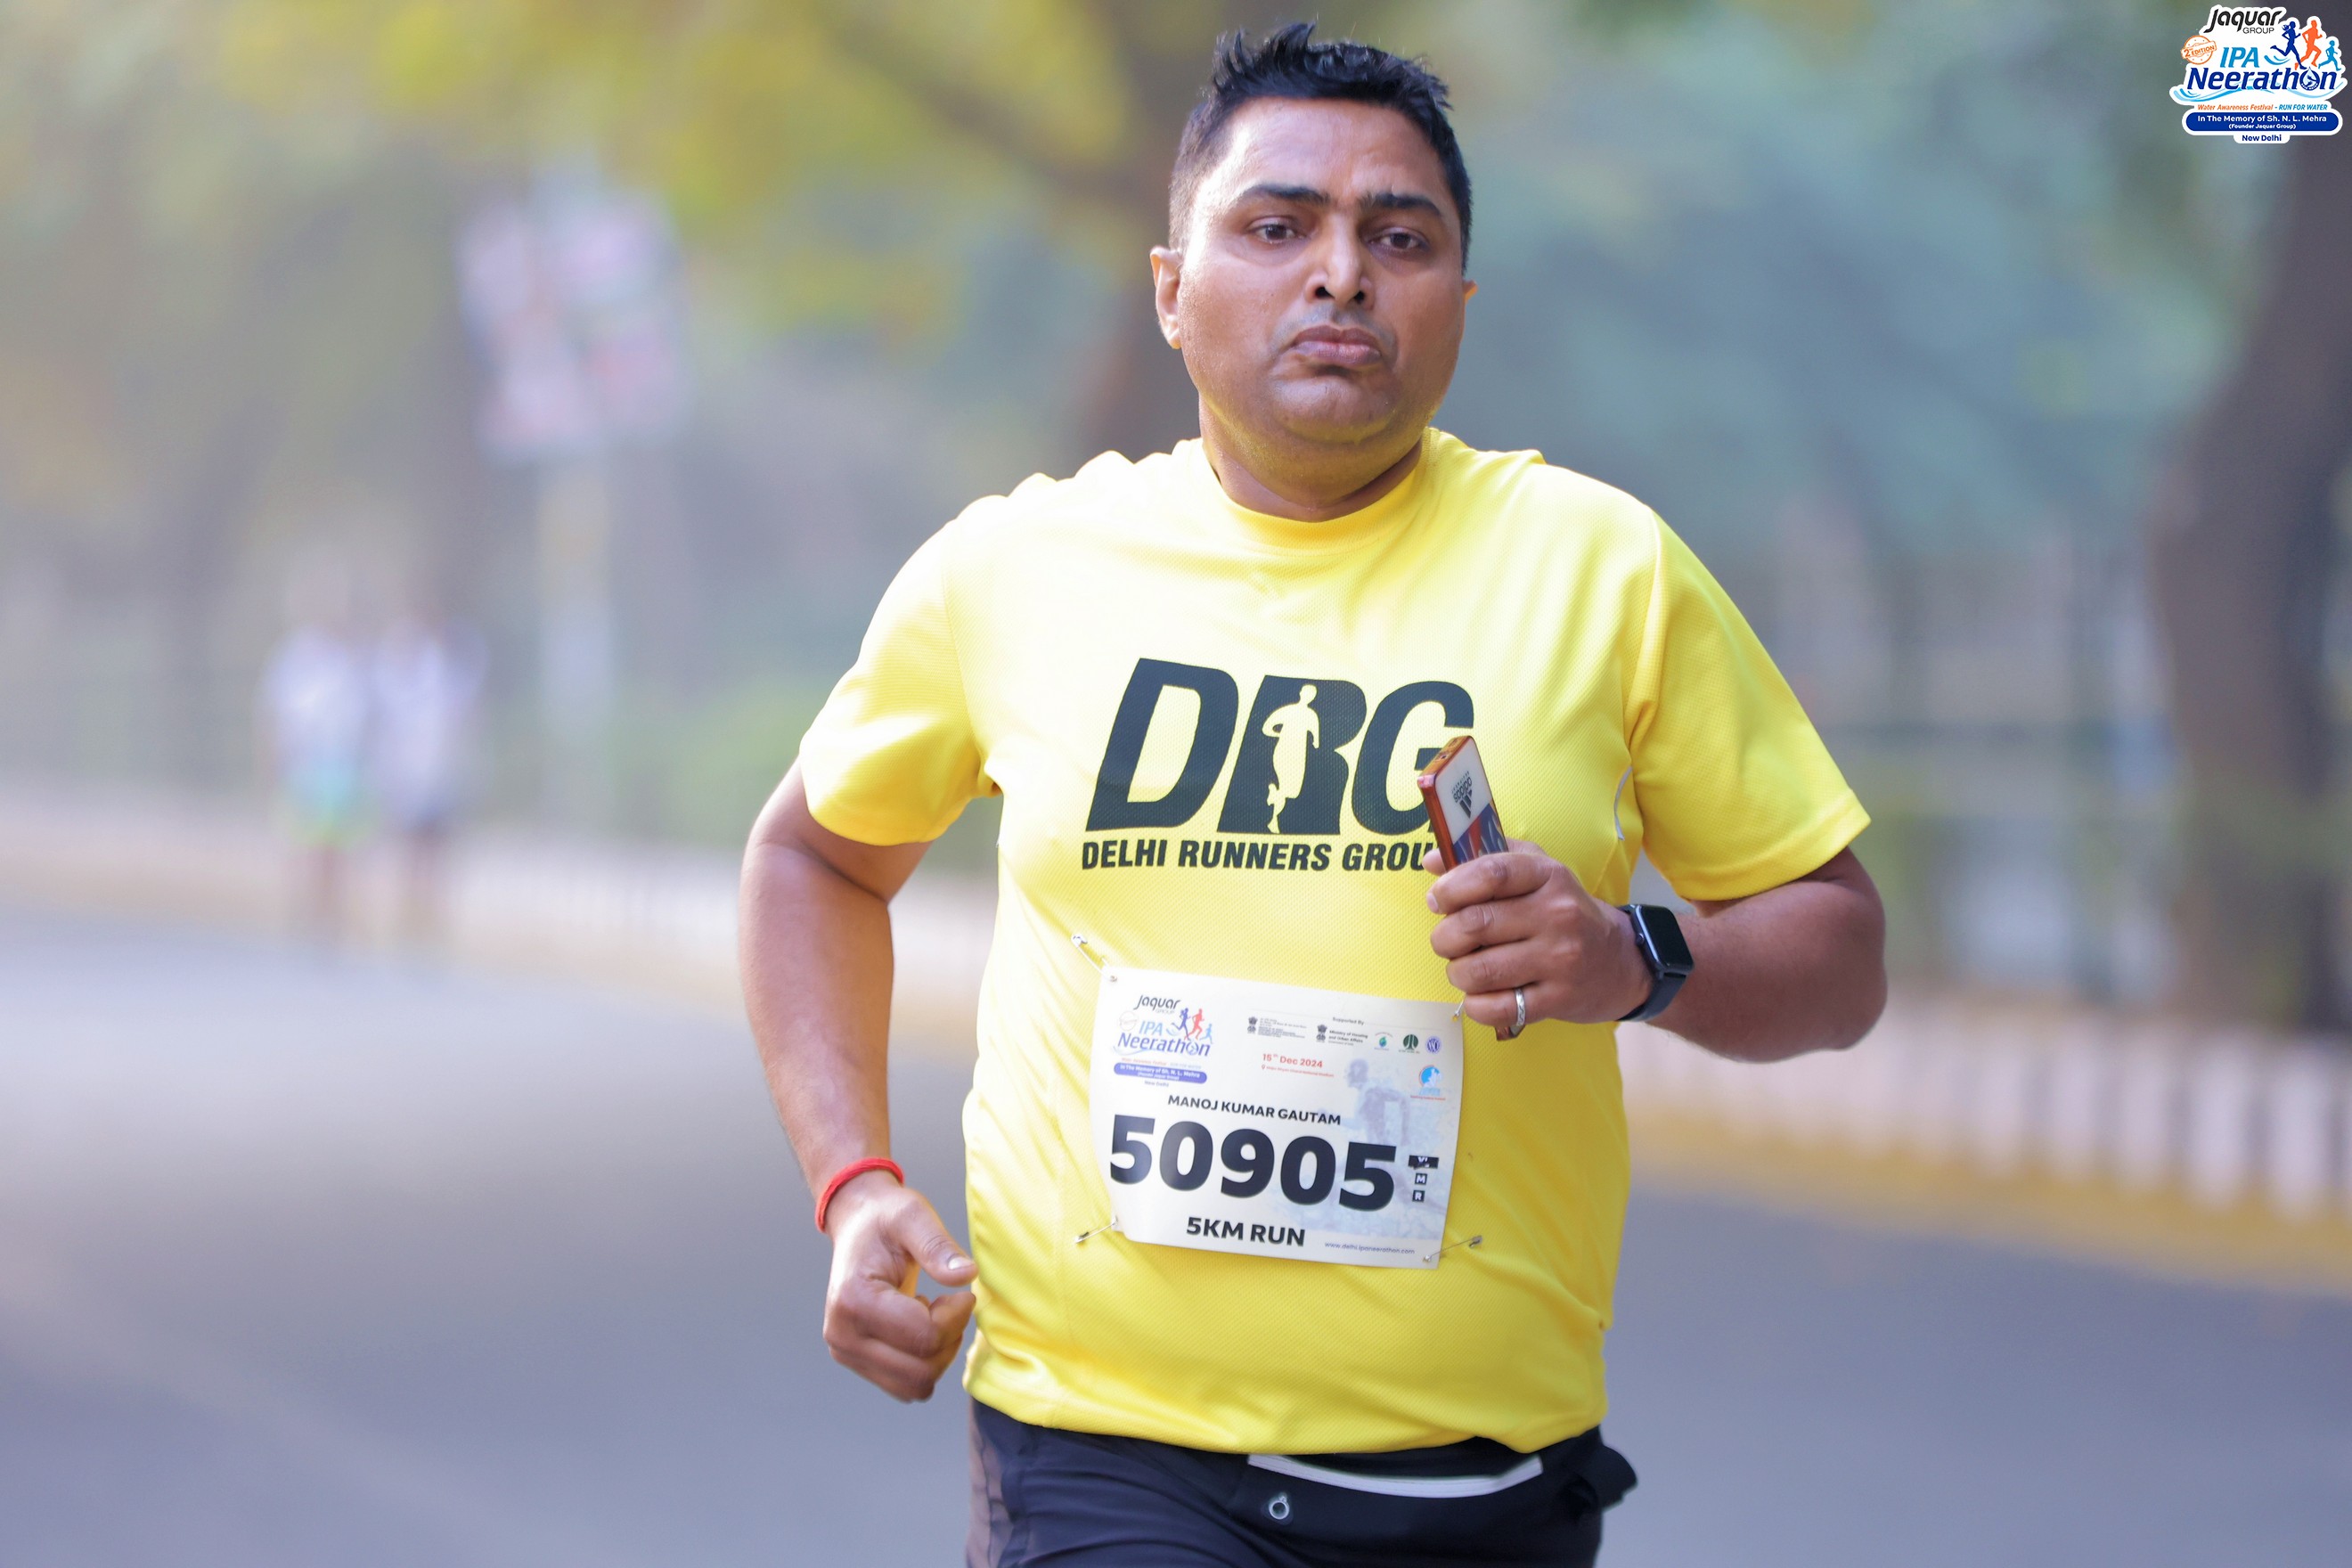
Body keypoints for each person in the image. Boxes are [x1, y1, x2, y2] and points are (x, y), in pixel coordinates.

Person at [739, 25, 1886, 1568]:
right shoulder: (1012, 570)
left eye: (1398, 238)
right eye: (1277, 228)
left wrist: (1634, 958)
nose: (1340, 275)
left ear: (1459, 300)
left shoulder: (1605, 571)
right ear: (1171, 290)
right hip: (1101, 1453)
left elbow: (1842, 956)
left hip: (1479, 1479)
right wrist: (856, 1185)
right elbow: (812, 860)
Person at [259, 584, 371, 943]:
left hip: (341, 763)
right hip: (305, 764)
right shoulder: (294, 657)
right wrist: (273, 764)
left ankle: (332, 917)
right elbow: (275, 715)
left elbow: (365, 716)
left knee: (337, 850)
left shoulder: (352, 657)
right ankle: (306, 913)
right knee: (306, 847)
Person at [370, 599, 485, 944]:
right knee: (410, 849)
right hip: (408, 772)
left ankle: (431, 920)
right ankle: (409, 918)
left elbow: (467, 717)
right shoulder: (398, 662)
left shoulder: (454, 662)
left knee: (437, 850)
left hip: (442, 772)